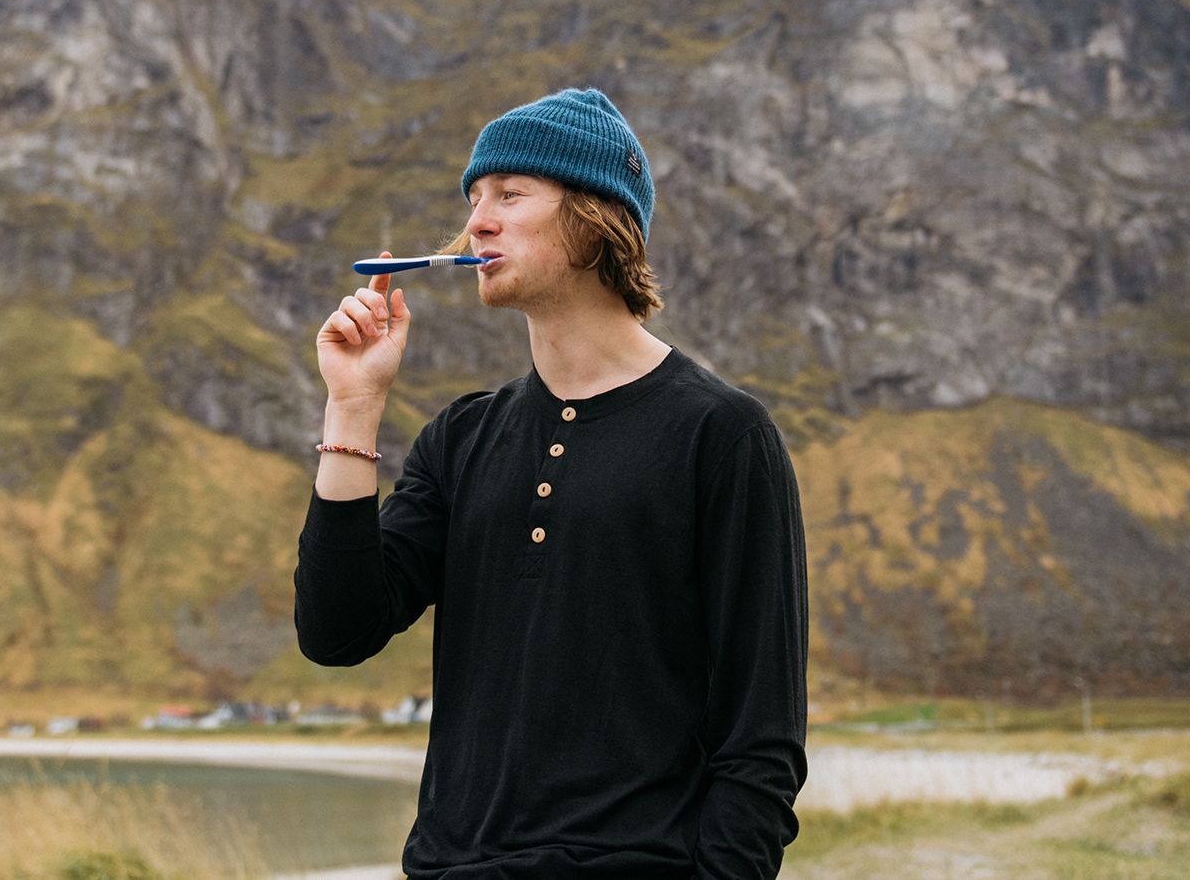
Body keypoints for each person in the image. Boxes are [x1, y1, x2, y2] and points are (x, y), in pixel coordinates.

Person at [295, 88, 809, 878]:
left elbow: (762, 737)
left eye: (509, 194)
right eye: (473, 200)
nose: (477, 223)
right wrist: (354, 406)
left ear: (595, 217)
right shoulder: (460, 439)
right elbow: (337, 630)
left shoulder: (723, 436)